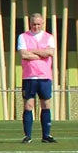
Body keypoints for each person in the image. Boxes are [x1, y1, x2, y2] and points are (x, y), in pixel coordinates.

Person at [18, 12, 58, 143]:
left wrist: (33, 51)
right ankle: (28, 135)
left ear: (42, 24)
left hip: (45, 76)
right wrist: (42, 54)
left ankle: (46, 135)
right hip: (29, 77)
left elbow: (50, 52)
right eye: (34, 24)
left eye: (38, 24)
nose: (36, 26)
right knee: (28, 105)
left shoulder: (49, 37)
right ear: (30, 23)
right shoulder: (23, 37)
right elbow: (24, 54)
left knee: (46, 104)